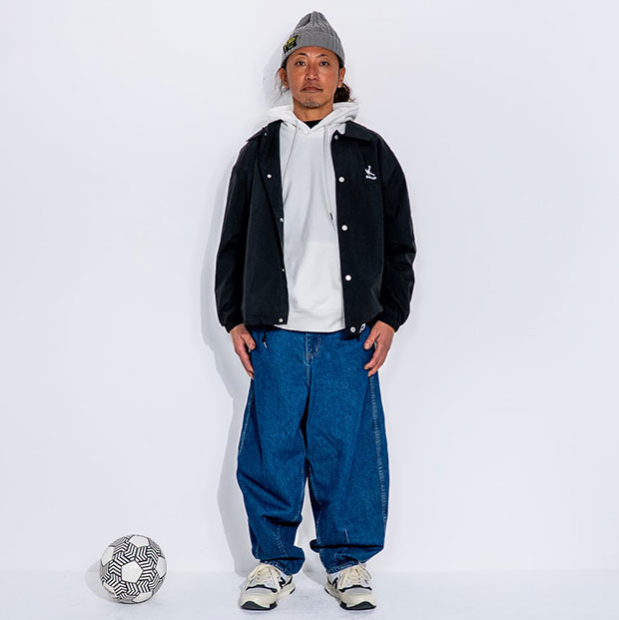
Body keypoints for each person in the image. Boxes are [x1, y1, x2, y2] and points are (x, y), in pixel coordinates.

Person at [215, 11, 416, 611]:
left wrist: (389, 316)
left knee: (346, 452)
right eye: (300, 62)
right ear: (285, 74)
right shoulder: (259, 151)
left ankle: (347, 563)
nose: (311, 73)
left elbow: (400, 244)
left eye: (323, 63)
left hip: (348, 334)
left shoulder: (371, 150)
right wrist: (233, 317)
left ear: (340, 75)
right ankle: (273, 563)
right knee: (271, 450)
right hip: (275, 331)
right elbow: (233, 241)